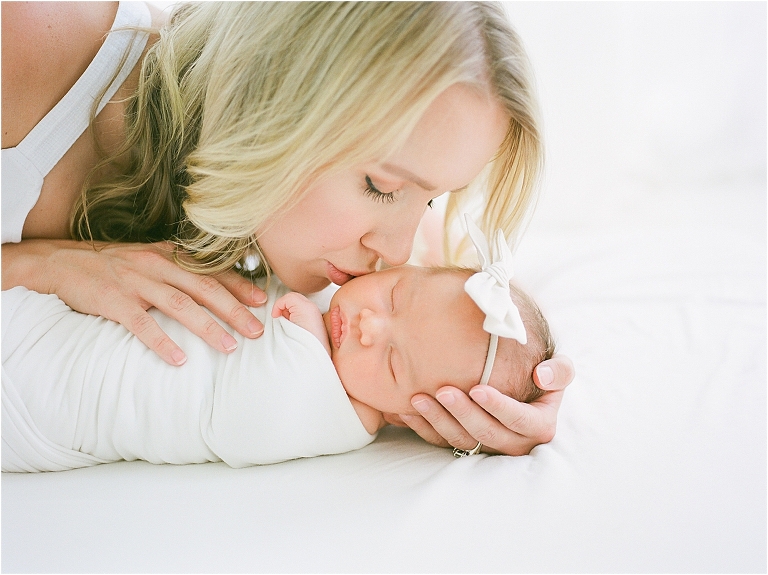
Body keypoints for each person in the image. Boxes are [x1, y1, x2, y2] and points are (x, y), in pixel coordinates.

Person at [1, 2, 573, 457]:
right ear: (280, 103)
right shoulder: (30, 39)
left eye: (429, 202)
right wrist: (38, 265)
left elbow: (450, 306)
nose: (395, 251)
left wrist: (500, 392)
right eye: (380, 185)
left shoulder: (324, 245)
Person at [2, 221, 555, 472]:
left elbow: (240, 425)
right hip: (66, 329)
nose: (368, 326)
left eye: (391, 362)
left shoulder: (340, 420)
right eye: (393, 297)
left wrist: (303, 330)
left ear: (409, 414)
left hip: (38, 407)